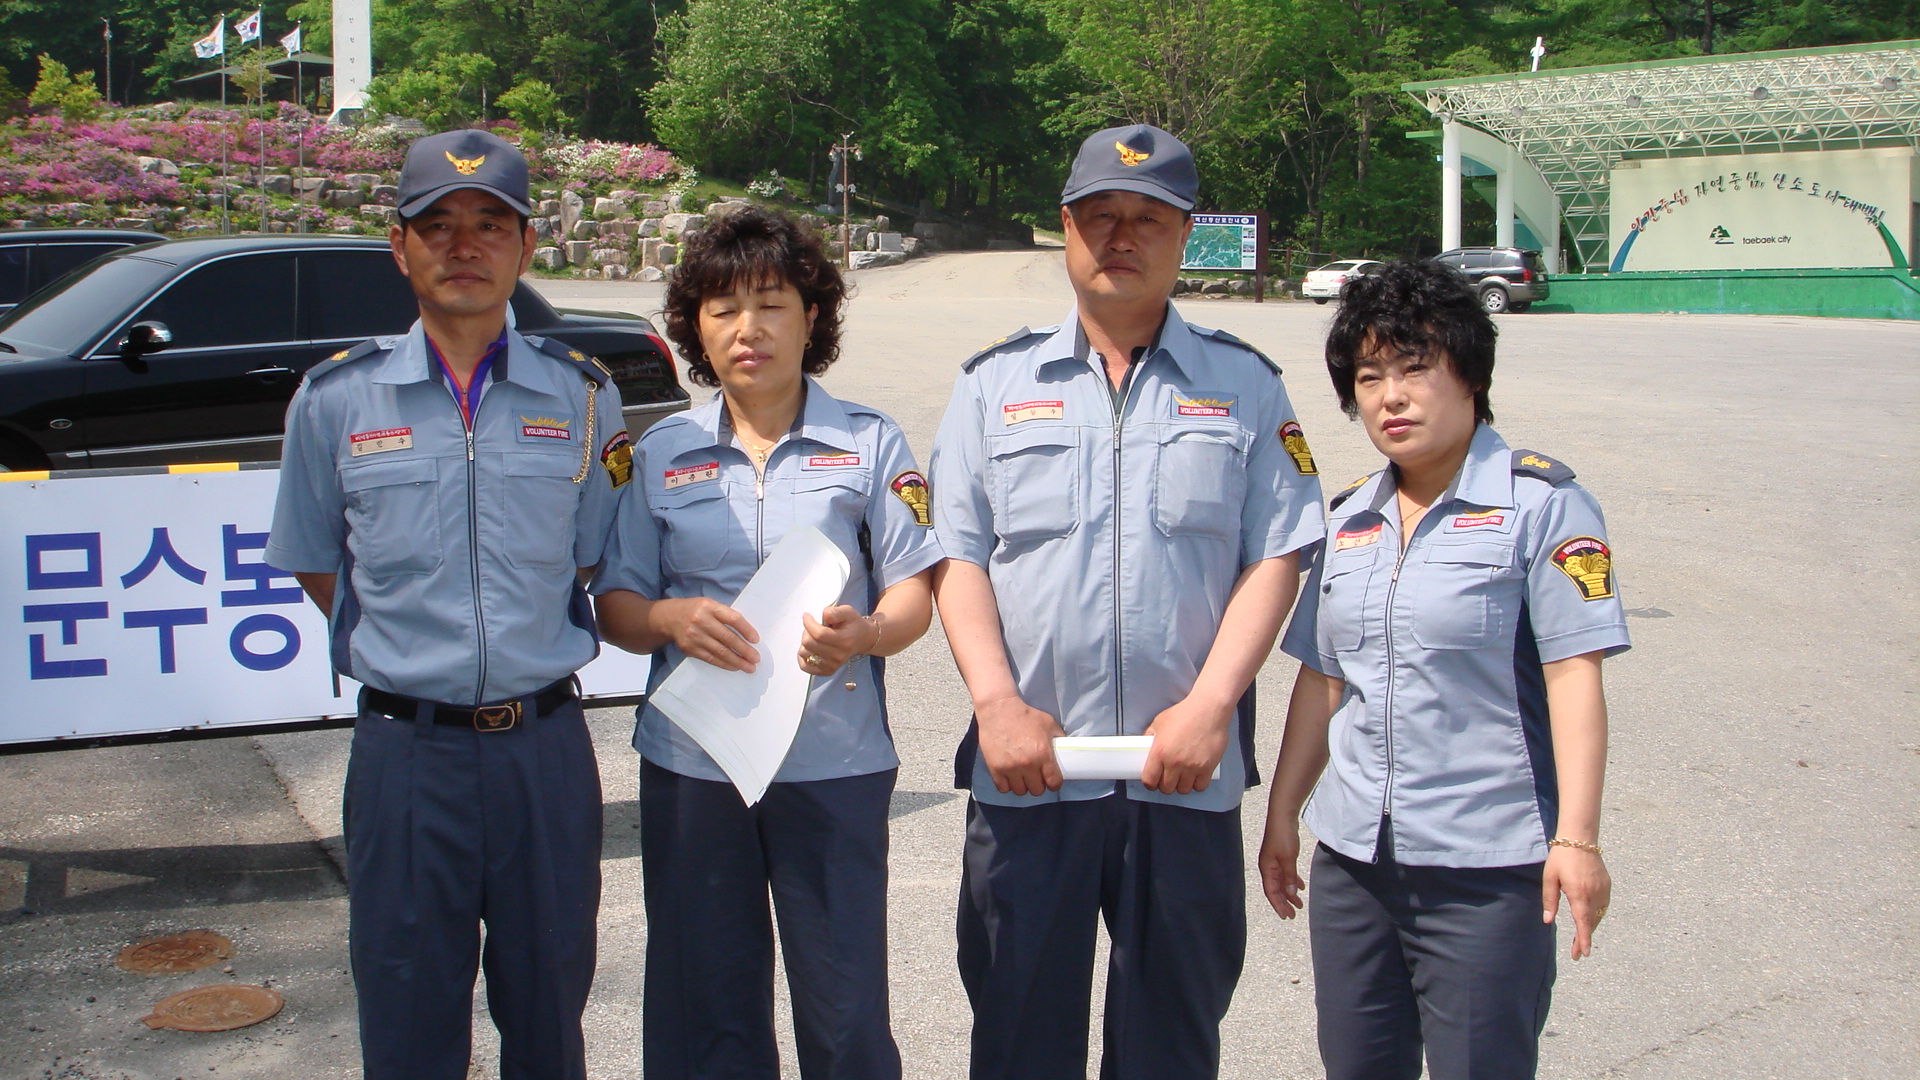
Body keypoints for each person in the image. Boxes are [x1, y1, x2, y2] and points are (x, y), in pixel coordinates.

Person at [928, 124, 1326, 1080]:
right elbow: (956, 555)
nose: (1121, 235)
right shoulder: (991, 386)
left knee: (1171, 1044)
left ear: (1185, 235)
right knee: (1018, 1038)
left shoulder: (1245, 385)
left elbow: (1276, 554)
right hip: (1031, 772)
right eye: (1099, 215)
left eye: (1148, 218)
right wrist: (996, 706)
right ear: (1065, 228)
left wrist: (1212, 709)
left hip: (1181, 773)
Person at [264, 129, 626, 1080]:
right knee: (406, 1013)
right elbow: (317, 562)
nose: (464, 246)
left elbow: (595, 558)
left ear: (526, 246)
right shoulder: (335, 399)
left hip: (544, 754)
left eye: (491, 224)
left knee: (550, 1012)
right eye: (438, 225)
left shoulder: (585, 399)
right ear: (399, 247)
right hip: (406, 756)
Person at [1257, 259, 1630, 1080]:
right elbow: (1323, 679)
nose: (1390, 397)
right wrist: (1284, 813)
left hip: (1486, 871)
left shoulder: (1542, 506)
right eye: (1369, 377)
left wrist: (1577, 838)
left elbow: (1574, 677)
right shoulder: (1350, 520)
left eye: (1415, 367)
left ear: (1470, 374)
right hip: (1355, 867)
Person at [590, 206, 940, 1080]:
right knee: (706, 1007)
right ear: (696, 329)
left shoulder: (869, 442)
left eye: (772, 304)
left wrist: (868, 633)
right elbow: (617, 605)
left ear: (811, 318)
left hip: (834, 764)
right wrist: (668, 620)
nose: (749, 329)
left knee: (845, 1011)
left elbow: (914, 593)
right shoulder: (662, 453)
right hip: (695, 764)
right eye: (723, 308)